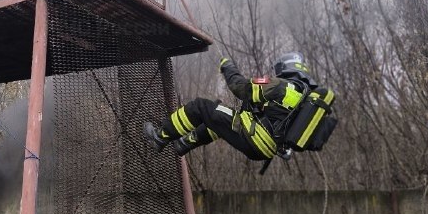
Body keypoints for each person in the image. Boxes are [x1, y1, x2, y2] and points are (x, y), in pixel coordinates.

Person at [144, 53, 336, 169]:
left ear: (284, 68)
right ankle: (185, 143)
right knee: (219, 116)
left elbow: (241, 88)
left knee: (201, 107)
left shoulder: (283, 86)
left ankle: (160, 137)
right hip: (264, 149)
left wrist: (228, 67)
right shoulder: (304, 99)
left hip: (254, 138)